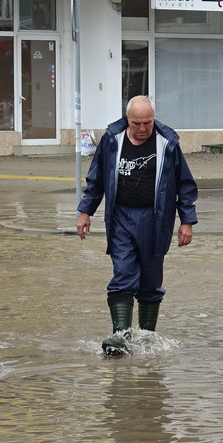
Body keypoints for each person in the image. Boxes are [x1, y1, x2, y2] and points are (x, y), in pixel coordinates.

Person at [76, 95, 198, 354]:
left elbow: (185, 184)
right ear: (127, 120)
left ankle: (146, 338)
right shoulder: (112, 139)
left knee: (151, 280)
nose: (142, 129)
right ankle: (120, 335)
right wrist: (85, 212)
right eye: (137, 123)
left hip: (156, 220)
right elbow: (96, 179)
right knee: (123, 273)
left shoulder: (168, 143)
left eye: (148, 123)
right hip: (120, 217)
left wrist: (187, 221)